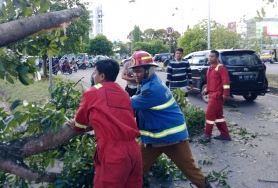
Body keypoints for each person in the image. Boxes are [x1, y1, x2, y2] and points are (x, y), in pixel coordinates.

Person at [129, 51, 211, 188]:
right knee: (136, 168)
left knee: (190, 170)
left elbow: (126, 104)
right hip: (153, 138)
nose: (135, 74)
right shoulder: (149, 82)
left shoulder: (152, 90)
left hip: (173, 139)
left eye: (138, 71)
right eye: (134, 71)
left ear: (149, 70)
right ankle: (141, 184)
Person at [67, 59, 143, 188]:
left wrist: (75, 125)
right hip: (134, 150)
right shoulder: (124, 93)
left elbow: (80, 124)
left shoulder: (92, 92)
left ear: (102, 76)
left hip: (113, 153)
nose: (93, 75)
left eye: (95, 72)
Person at [198, 50, 231, 142]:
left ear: (217, 58)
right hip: (212, 94)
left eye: (212, 56)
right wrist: (207, 89)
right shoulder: (210, 68)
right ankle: (225, 135)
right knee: (218, 116)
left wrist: (226, 93)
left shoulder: (221, 68)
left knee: (209, 114)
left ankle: (207, 135)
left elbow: (226, 82)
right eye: (209, 56)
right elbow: (210, 82)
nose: (210, 58)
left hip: (217, 95)